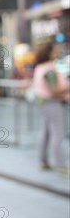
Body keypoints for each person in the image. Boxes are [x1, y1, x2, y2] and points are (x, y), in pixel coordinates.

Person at [32, 42, 70, 174]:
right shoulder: (49, 70)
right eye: (54, 50)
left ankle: (43, 161)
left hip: (43, 103)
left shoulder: (40, 67)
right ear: (49, 53)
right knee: (57, 134)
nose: (56, 52)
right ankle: (61, 165)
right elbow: (54, 90)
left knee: (45, 133)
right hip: (52, 103)